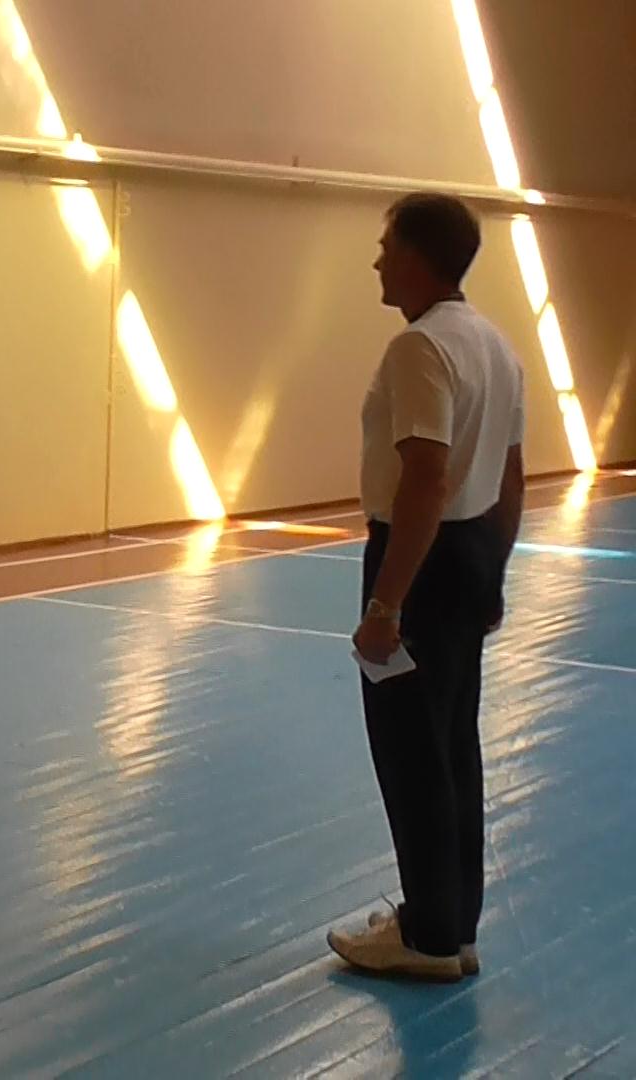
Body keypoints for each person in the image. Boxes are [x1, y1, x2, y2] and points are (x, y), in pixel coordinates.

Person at [327, 193, 526, 982]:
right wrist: (493, 574)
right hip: (470, 556)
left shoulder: (419, 348)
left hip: (418, 561)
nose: (377, 259)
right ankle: (451, 922)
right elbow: (509, 477)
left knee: (411, 750)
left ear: (415, 257)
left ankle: (429, 939)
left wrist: (386, 606)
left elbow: (425, 479)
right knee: (452, 745)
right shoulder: (496, 346)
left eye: (387, 245)